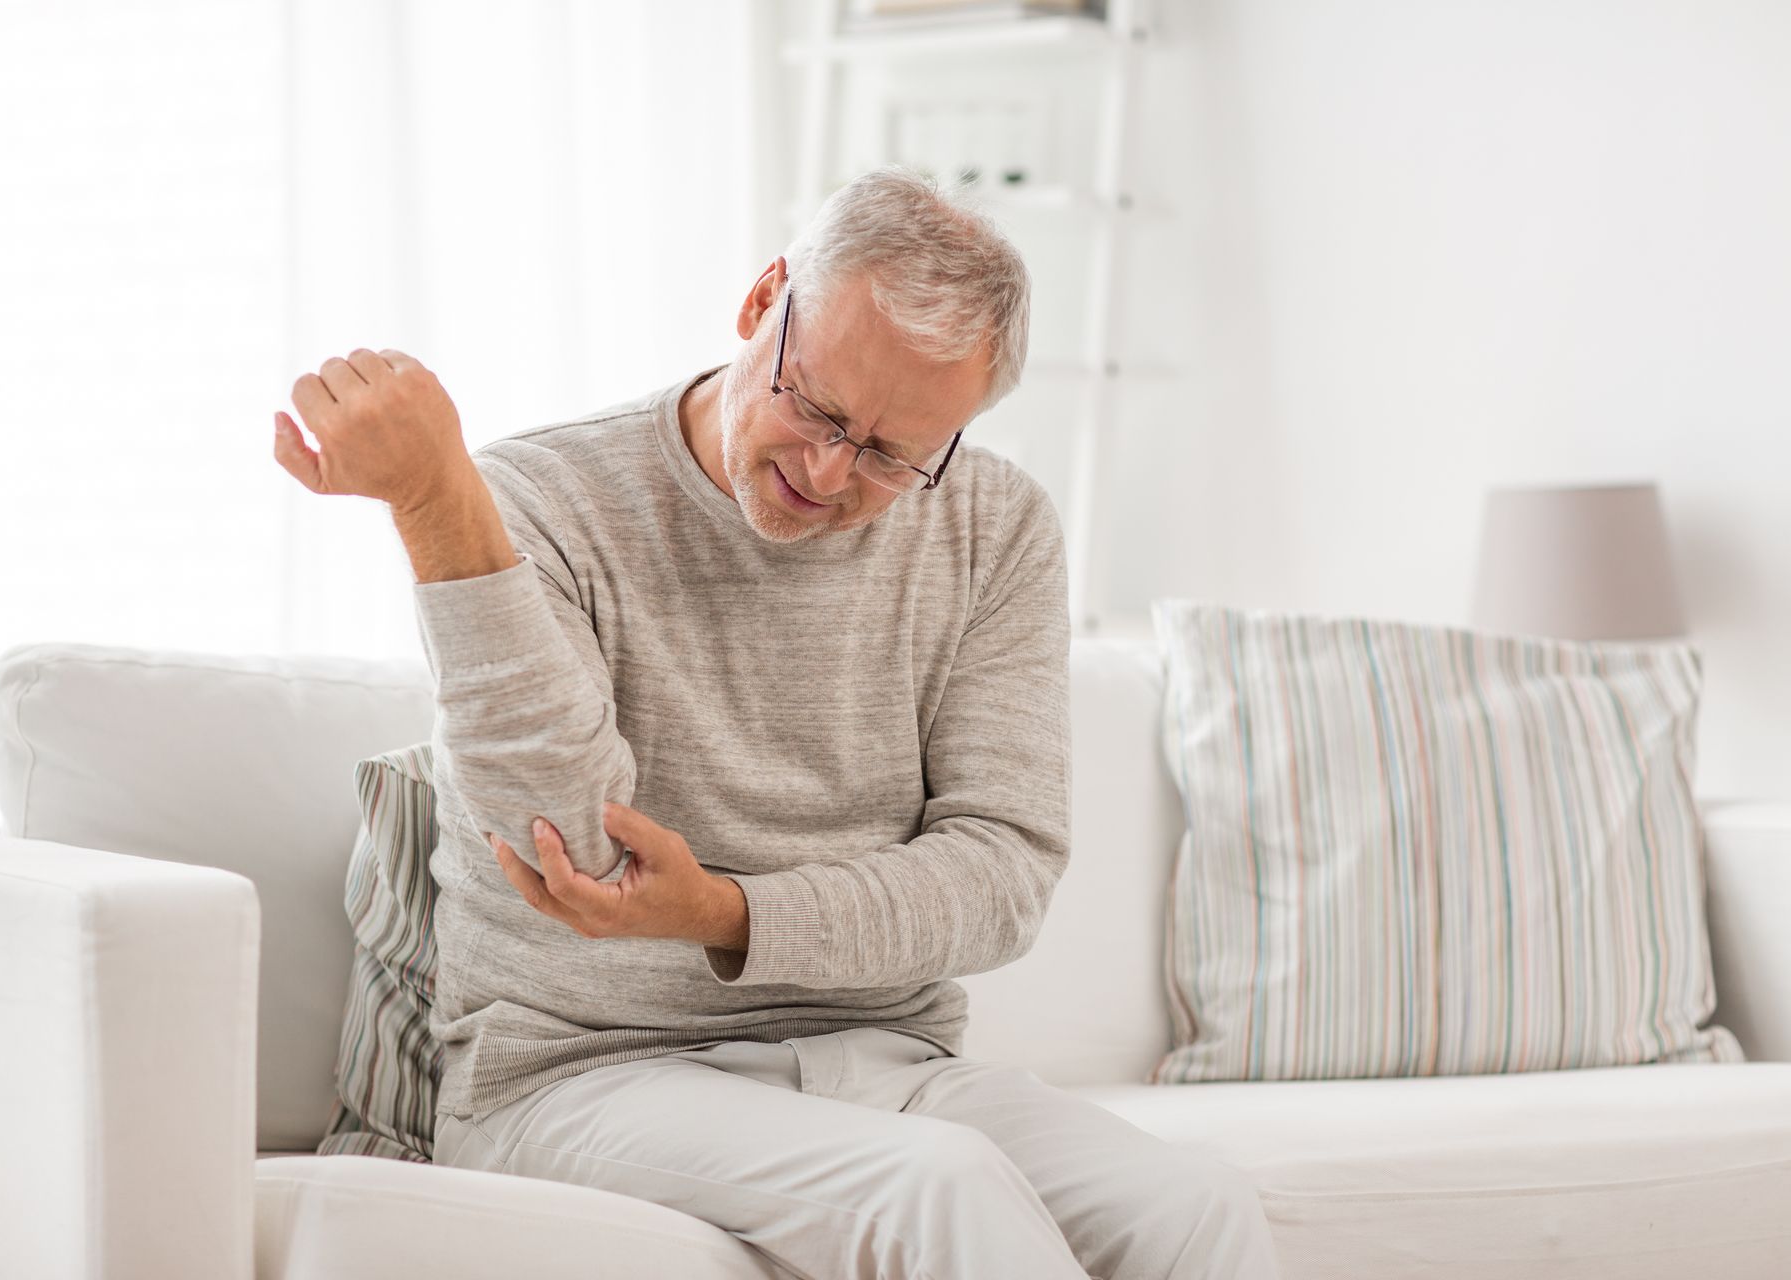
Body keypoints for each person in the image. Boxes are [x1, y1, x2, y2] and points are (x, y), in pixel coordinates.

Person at [271, 165, 1280, 1280]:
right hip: (576, 1076)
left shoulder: (994, 528)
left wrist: (725, 910)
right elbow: (562, 837)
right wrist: (433, 501)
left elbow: (1003, 875)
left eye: (894, 455)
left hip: (885, 1060)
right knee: (936, 1185)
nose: (829, 470)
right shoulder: (534, 504)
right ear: (762, 303)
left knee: (1199, 1208)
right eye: (820, 406)